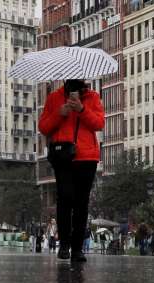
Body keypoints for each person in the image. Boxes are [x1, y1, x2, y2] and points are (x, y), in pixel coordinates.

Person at [39, 79, 105, 263]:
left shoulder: (92, 97)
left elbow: (99, 123)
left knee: (82, 203)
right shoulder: (54, 98)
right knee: (65, 199)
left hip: (87, 157)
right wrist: (60, 113)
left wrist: (81, 109)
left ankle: (77, 249)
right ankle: (65, 245)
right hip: (63, 157)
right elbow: (43, 127)